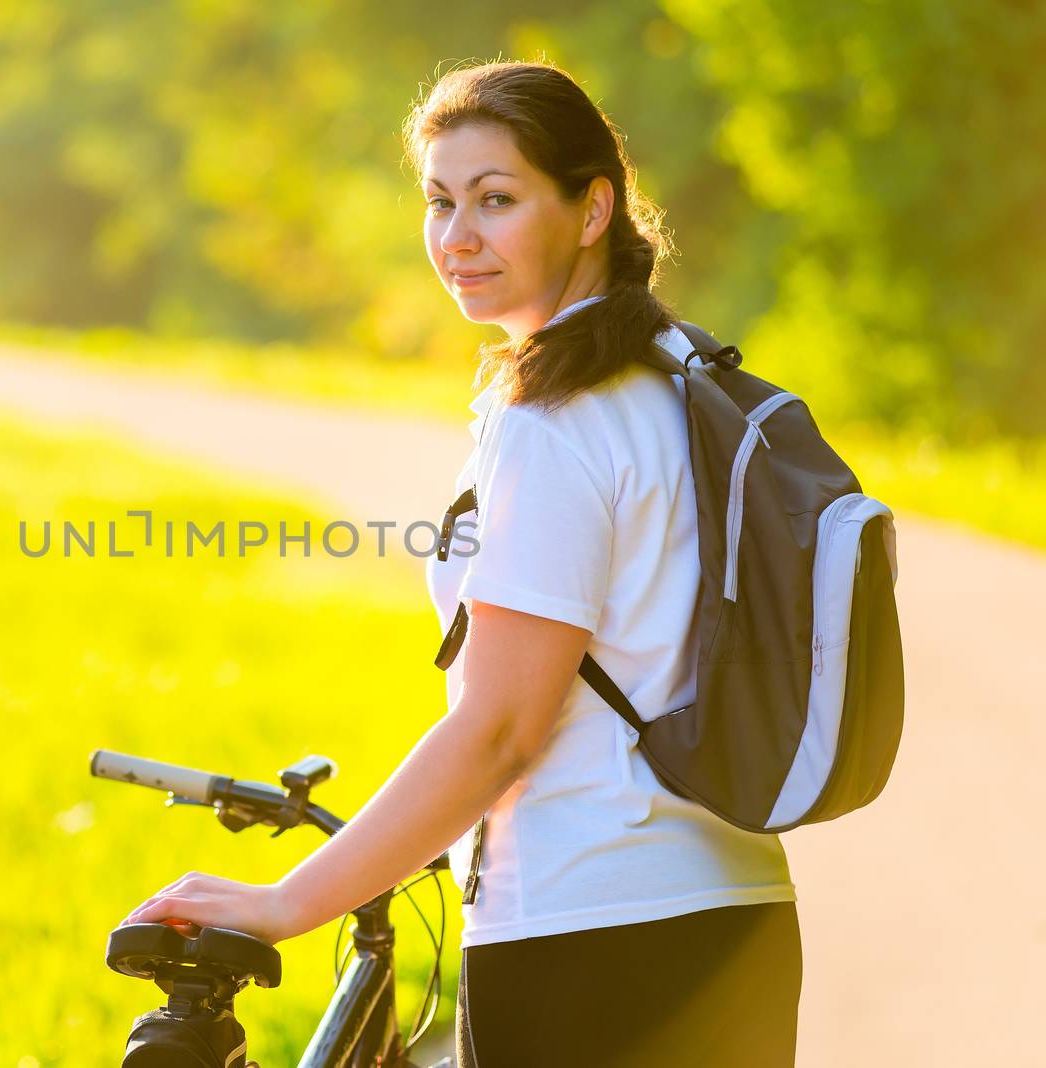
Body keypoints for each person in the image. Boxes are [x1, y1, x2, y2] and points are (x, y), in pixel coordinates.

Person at [121, 60, 802, 1066]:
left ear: (590, 210)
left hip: (591, 936)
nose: (457, 237)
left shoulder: (558, 421)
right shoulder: (676, 382)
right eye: (439, 202)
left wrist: (290, 901)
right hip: (730, 912)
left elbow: (499, 730)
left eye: (497, 200)